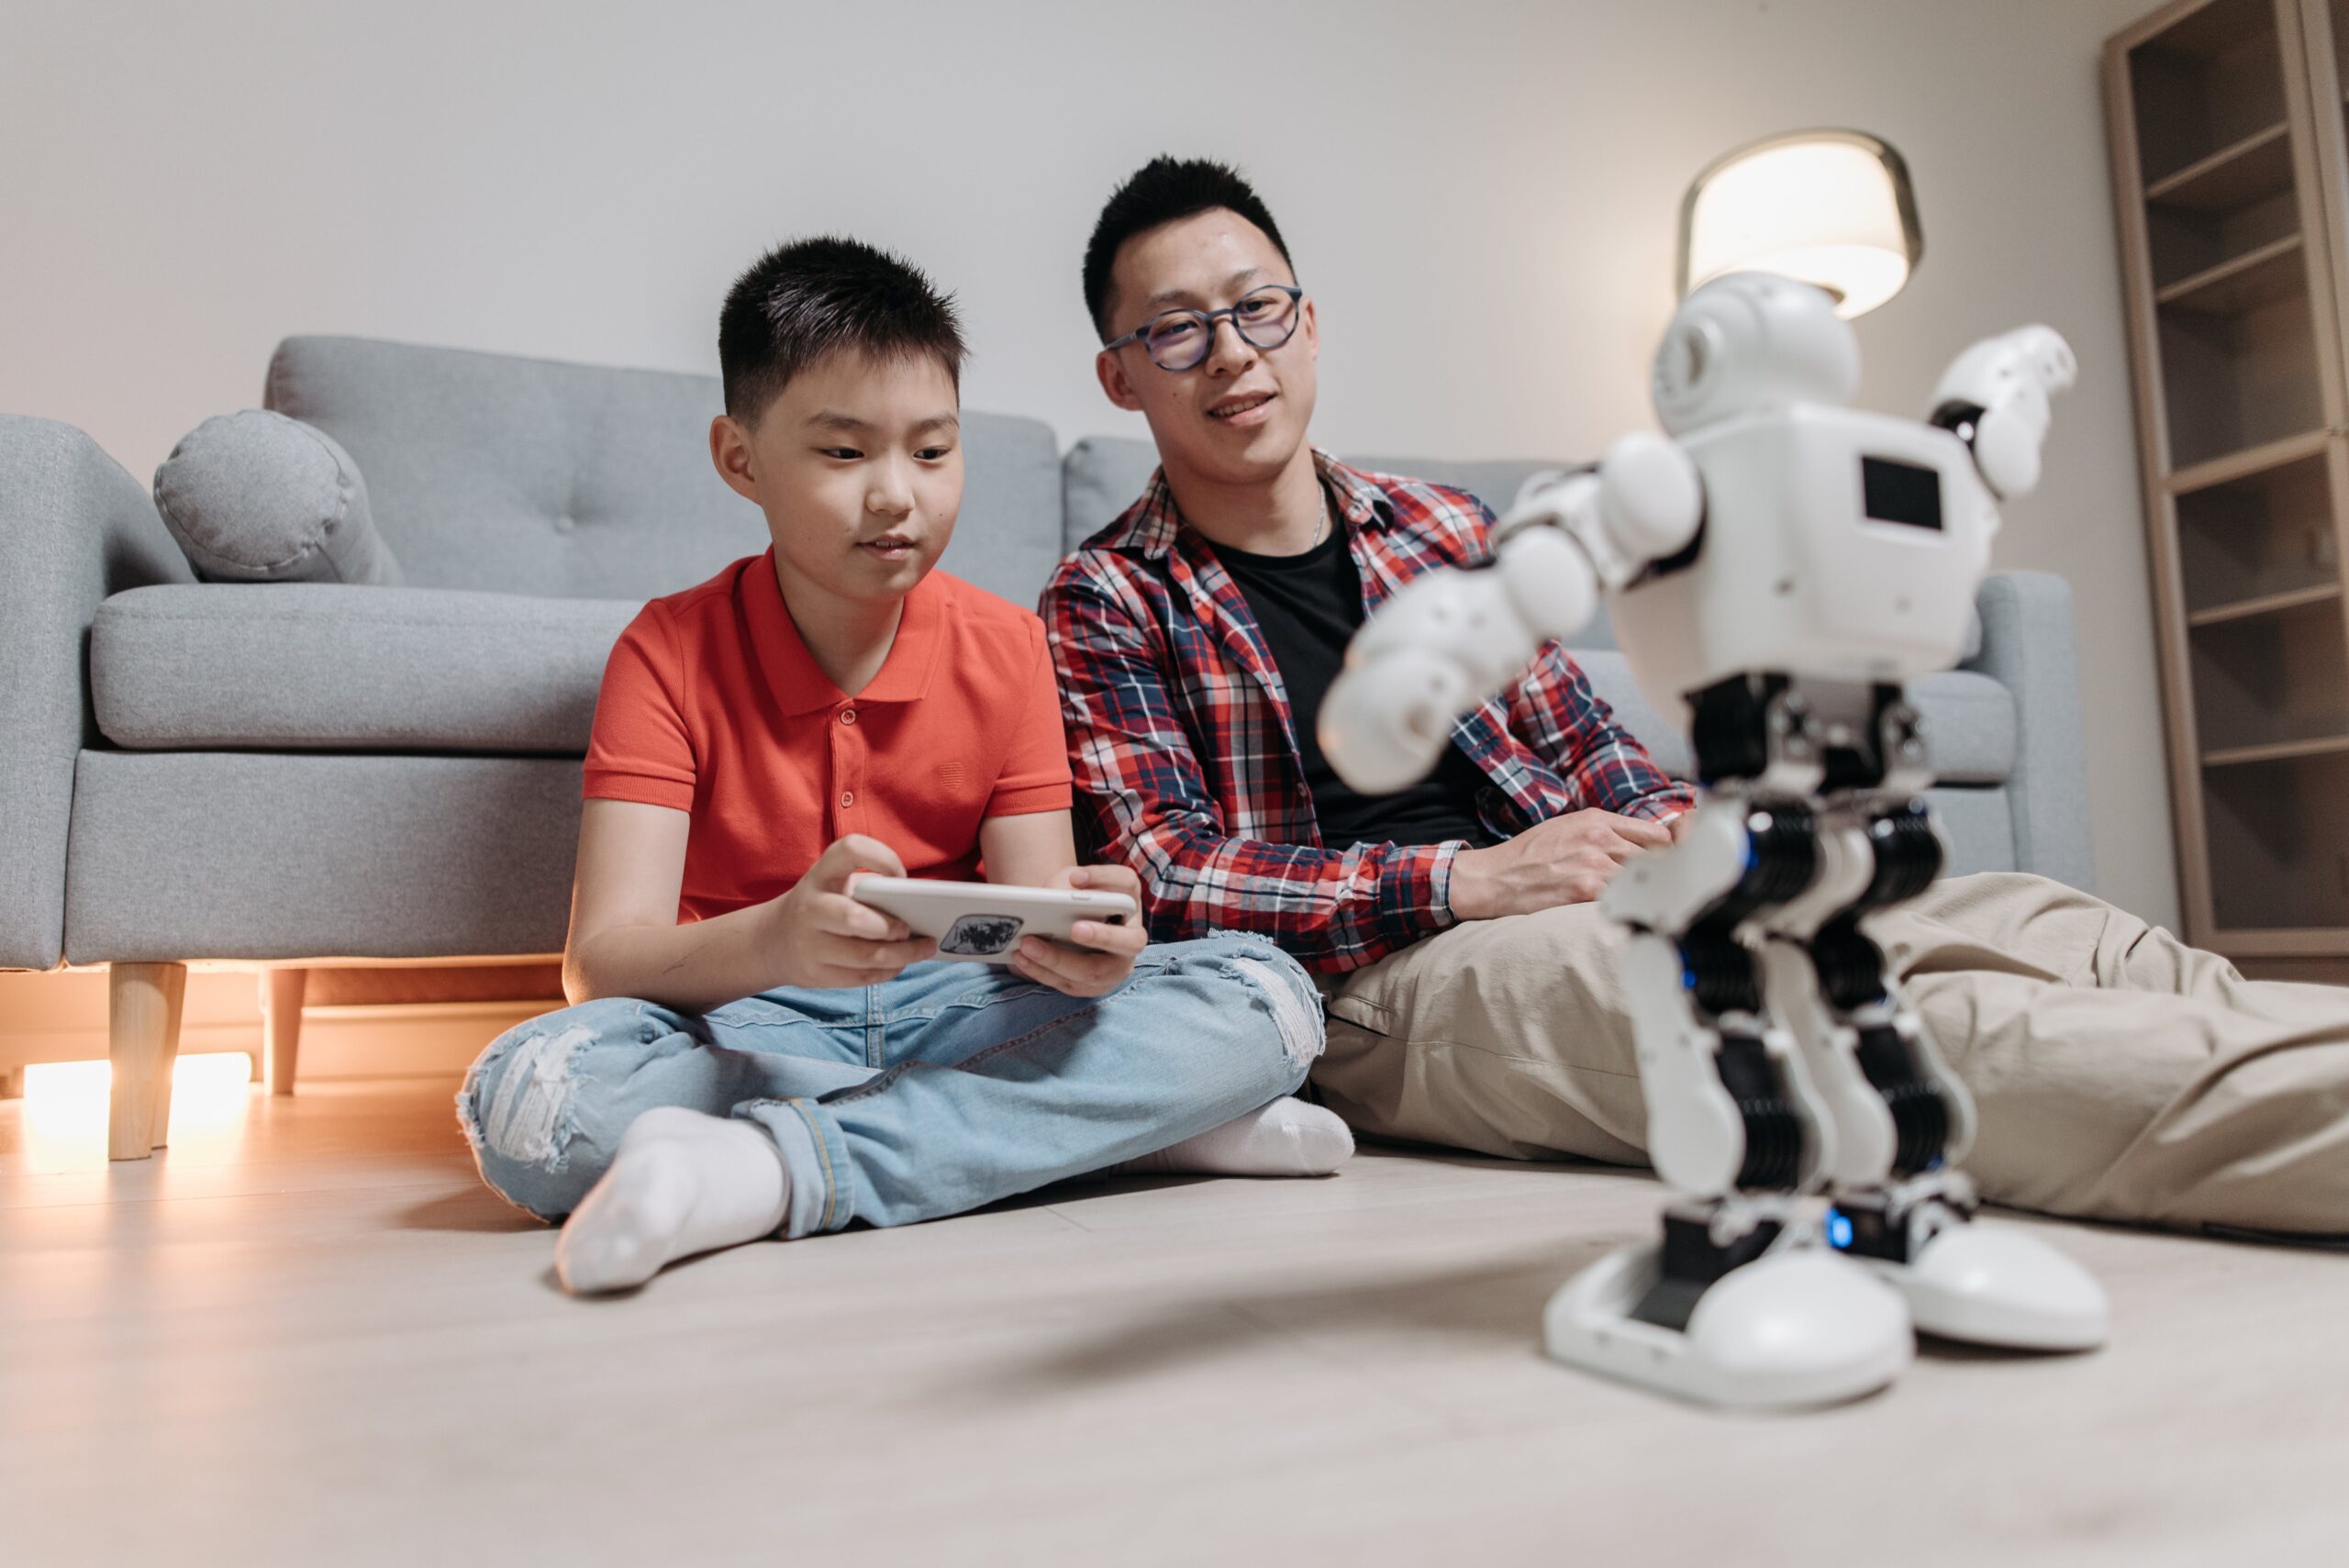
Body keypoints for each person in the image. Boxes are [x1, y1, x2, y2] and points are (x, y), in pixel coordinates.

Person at [1041, 156, 2349, 1239]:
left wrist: (1681, 830)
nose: (1231, 354)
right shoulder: (1105, 596)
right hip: (1397, 972)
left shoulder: (1438, 524)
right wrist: (1463, 882)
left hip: (1599, 880)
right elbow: (1161, 871)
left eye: (1257, 307)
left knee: (2057, 927)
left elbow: (1590, 744)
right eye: (1176, 328)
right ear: (1122, 372)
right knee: (1845, 1027)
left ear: (1307, 320)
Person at [459, 236, 1345, 1296]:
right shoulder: (665, 649)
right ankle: (1098, 1126)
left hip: (957, 1006)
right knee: (532, 1100)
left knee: (1266, 996)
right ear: (740, 458)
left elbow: (1035, 915)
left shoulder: (1009, 643)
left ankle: (756, 1168)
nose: (897, 496)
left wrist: (1085, 949)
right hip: (743, 1020)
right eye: (844, 454)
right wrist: (783, 935)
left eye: (932, 451)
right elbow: (600, 963)